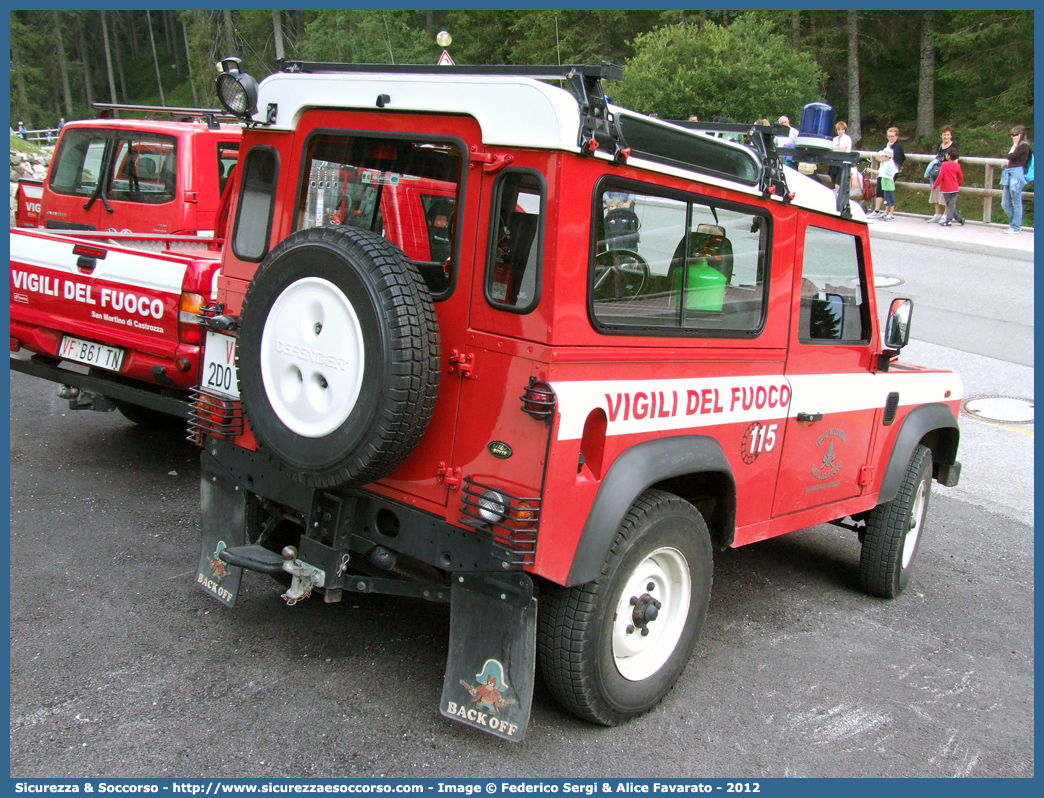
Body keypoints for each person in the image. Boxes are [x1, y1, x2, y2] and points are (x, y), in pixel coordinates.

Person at [868, 127, 905, 218]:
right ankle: (876, 211)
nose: (890, 138)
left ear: (896, 136)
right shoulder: (886, 145)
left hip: (891, 173)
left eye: (892, 136)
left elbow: (898, 159)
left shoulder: (898, 146)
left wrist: (885, 158)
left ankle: (888, 212)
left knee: (888, 192)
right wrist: (882, 157)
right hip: (882, 172)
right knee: (880, 190)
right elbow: (878, 156)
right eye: (889, 136)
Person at [1001, 125, 1031, 234]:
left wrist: (1014, 145)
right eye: (1012, 135)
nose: (1013, 137)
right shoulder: (1019, 147)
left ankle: (1016, 226)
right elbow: (1011, 159)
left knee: (1016, 201)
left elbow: (1011, 156)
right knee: (1005, 203)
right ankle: (1015, 223)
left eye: (1015, 135)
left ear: (1021, 135)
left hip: (1017, 175)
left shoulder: (1024, 146)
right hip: (1009, 173)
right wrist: (1007, 164)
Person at [926, 125, 957, 223]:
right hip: (938, 172)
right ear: (941, 136)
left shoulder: (954, 146)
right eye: (944, 135)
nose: (946, 137)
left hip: (948, 172)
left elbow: (955, 159)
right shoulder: (940, 145)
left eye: (948, 135)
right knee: (936, 191)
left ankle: (946, 214)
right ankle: (937, 213)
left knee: (946, 194)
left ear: (951, 136)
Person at [933, 147, 964, 227]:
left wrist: (935, 185)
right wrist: (958, 184)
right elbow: (960, 177)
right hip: (955, 188)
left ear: (949, 156)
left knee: (950, 205)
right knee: (951, 206)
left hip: (946, 189)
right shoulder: (957, 166)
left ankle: (948, 221)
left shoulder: (944, 165)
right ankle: (960, 219)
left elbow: (940, 176)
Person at [829, 121, 852, 186]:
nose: (840, 131)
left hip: (843, 162)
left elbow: (843, 150)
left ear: (845, 130)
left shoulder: (846, 138)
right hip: (834, 161)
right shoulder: (835, 139)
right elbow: (831, 148)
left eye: (842, 129)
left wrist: (835, 150)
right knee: (833, 177)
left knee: (838, 181)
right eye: (838, 130)